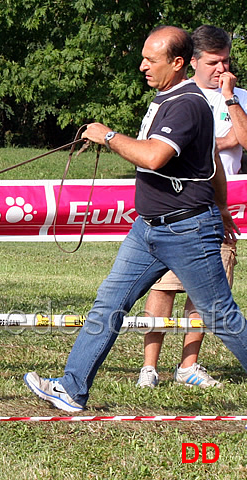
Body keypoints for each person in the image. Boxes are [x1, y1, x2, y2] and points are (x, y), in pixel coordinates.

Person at [24, 25, 247, 412]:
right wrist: (224, 206)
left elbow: (153, 157)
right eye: (143, 57)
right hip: (148, 228)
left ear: (177, 63)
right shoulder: (168, 99)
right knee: (108, 303)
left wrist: (107, 136)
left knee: (221, 316)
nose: (142, 66)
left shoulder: (186, 105)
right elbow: (212, 161)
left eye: (151, 59)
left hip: (187, 229)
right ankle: (72, 389)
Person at [137, 25, 247, 389]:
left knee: (210, 302)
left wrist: (231, 99)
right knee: (163, 288)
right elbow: (178, 148)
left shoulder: (238, 96)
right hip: (179, 211)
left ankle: (188, 365)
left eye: (227, 61)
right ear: (193, 62)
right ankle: (149, 367)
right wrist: (217, 139)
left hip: (219, 211)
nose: (222, 69)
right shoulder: (178, 96)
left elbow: (242, 141)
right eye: (214, 62)